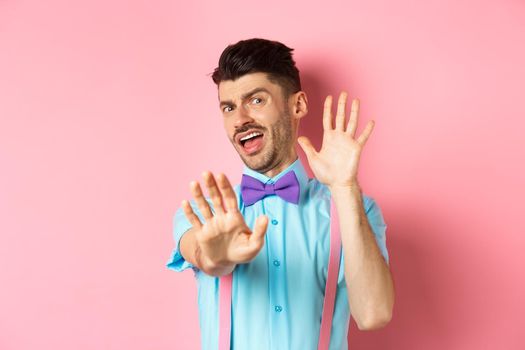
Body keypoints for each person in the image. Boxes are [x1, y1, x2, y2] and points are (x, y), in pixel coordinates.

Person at [166, 38, 395, 350]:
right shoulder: (204, 211)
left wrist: (345, 189)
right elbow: (203, 254)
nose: (240, 119)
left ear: (297, 105)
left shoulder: (356, 209)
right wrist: (216, 257)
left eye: (256, 101)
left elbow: (373, 314)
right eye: (229, 107)